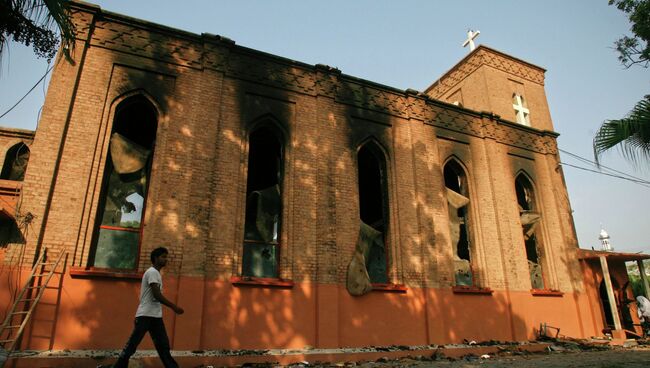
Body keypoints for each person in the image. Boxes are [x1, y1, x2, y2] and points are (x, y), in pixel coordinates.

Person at [112, 247, 184, 368]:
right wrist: (173, 307)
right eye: (163, 257)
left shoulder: (156, 274)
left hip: (155, 316)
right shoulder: (152, 272)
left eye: (166, 257)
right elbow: (156, 294)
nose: (166, 260)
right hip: (145, 315)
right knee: (132, 345)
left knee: (163, 346)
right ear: (156, 258)